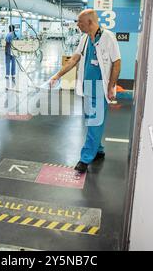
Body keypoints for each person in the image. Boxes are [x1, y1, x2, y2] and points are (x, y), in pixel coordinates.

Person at [50, 9, 121, 174]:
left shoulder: (108, 37)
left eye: (79, 22)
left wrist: (111, 86)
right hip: (87, 86)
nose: (77, 25)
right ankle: (99, 149)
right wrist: (57, 75)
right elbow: (74, 59)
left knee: (95, 122)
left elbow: (117, 63)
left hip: (99, 87)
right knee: (91, 121)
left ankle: (85, 158)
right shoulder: (84, 38)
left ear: (89, 22)